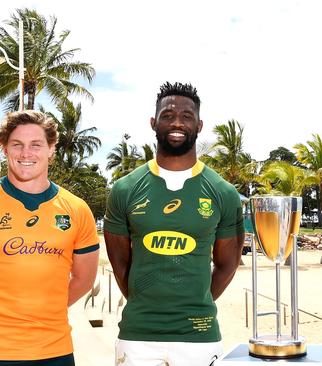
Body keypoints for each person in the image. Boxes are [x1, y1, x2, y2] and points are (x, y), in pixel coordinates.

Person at [0, 110, 100, 366]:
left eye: (36, 144)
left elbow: (84, 278)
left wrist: (47, 312)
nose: (26, 153)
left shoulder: (77, 209)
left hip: (55, 351)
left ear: (51, 149)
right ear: (5, 149)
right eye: (17, 145)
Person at [104, 82, 244, 366]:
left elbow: (228, 264)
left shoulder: (224, 192)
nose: (177, 122)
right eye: (168, 115)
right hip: (138, 336)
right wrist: (146, 302)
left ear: (199, 125)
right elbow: (120, 264)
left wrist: (196, 302)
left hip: (199, 337)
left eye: (187, 116)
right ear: (154, 123)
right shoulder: (124, 189)